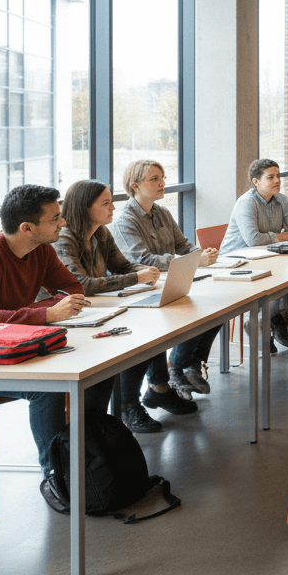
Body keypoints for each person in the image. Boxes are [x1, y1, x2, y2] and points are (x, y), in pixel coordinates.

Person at [0, 185, 115, 490]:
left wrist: (44, 309)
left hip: (7, 348)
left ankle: (86, 454)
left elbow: (72, 288)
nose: (63, 223)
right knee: (47, 388)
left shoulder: (40, 250)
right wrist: (46, 313)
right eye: (55, 218)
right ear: (27, 228)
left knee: (101, 369)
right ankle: (58, 476)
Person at [55, 180, 197, 432]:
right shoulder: (65, 238)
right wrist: (136, 277)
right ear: (84, 208)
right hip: (68, 319)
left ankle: (155, 390)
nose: (112, 208)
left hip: (95, 310)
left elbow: (123, 266)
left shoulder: (100, 232)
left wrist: (146, 271)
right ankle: (128, 407)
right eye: (105, 203)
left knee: (151, 325)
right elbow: (81, 284)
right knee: (136, 336)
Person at [112, 159, 221, 400]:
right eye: (154, 179)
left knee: (218, 310)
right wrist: (195, 261)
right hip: (141, 293)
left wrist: (200, 254)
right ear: (135, 186)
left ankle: (187, 365)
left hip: (170, 284)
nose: (162, 183)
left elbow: (182, 245)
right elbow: (143, 259)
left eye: (162, 178)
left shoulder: (162, 212)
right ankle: (179, 370)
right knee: (196, 313)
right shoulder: (124, 221)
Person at [221, 158, 288, 347]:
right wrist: (280, 237)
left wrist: (276, 238)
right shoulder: (246, 203)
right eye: (270, 177)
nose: (277, 181)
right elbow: (253, 240)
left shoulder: (282, 200)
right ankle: (263, 321)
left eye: (278, 176)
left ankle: (277, 318)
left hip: (267, 256)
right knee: (278, 278)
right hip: (237, 260)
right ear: (256, 181)